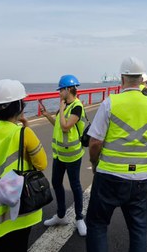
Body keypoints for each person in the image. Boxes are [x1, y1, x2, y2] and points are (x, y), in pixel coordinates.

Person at [86, 56, 147, 252]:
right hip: (139, 178)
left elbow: (95, 142)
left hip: (109, 175)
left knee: (97, 224)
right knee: (138, 228)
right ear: (141, 79)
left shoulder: (110, 103)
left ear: (122, 78)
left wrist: (95, 162)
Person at [0, 79, 48, 252]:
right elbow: (42, 164)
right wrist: (26, 128)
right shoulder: (23, 133)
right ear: (20, 106)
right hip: (15, 210)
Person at [40, 74, 87, 236]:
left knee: (75, 185)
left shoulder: (76, 107)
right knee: (56, 183)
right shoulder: (66, 105)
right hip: (59, 155)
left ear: (68, 89)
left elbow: (66, 126)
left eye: (61, 89)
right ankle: (61, 215)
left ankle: (80, 218)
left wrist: (60, 108)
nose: (59, 93)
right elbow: (59, 126)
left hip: (73, 155)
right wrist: (48, 116)